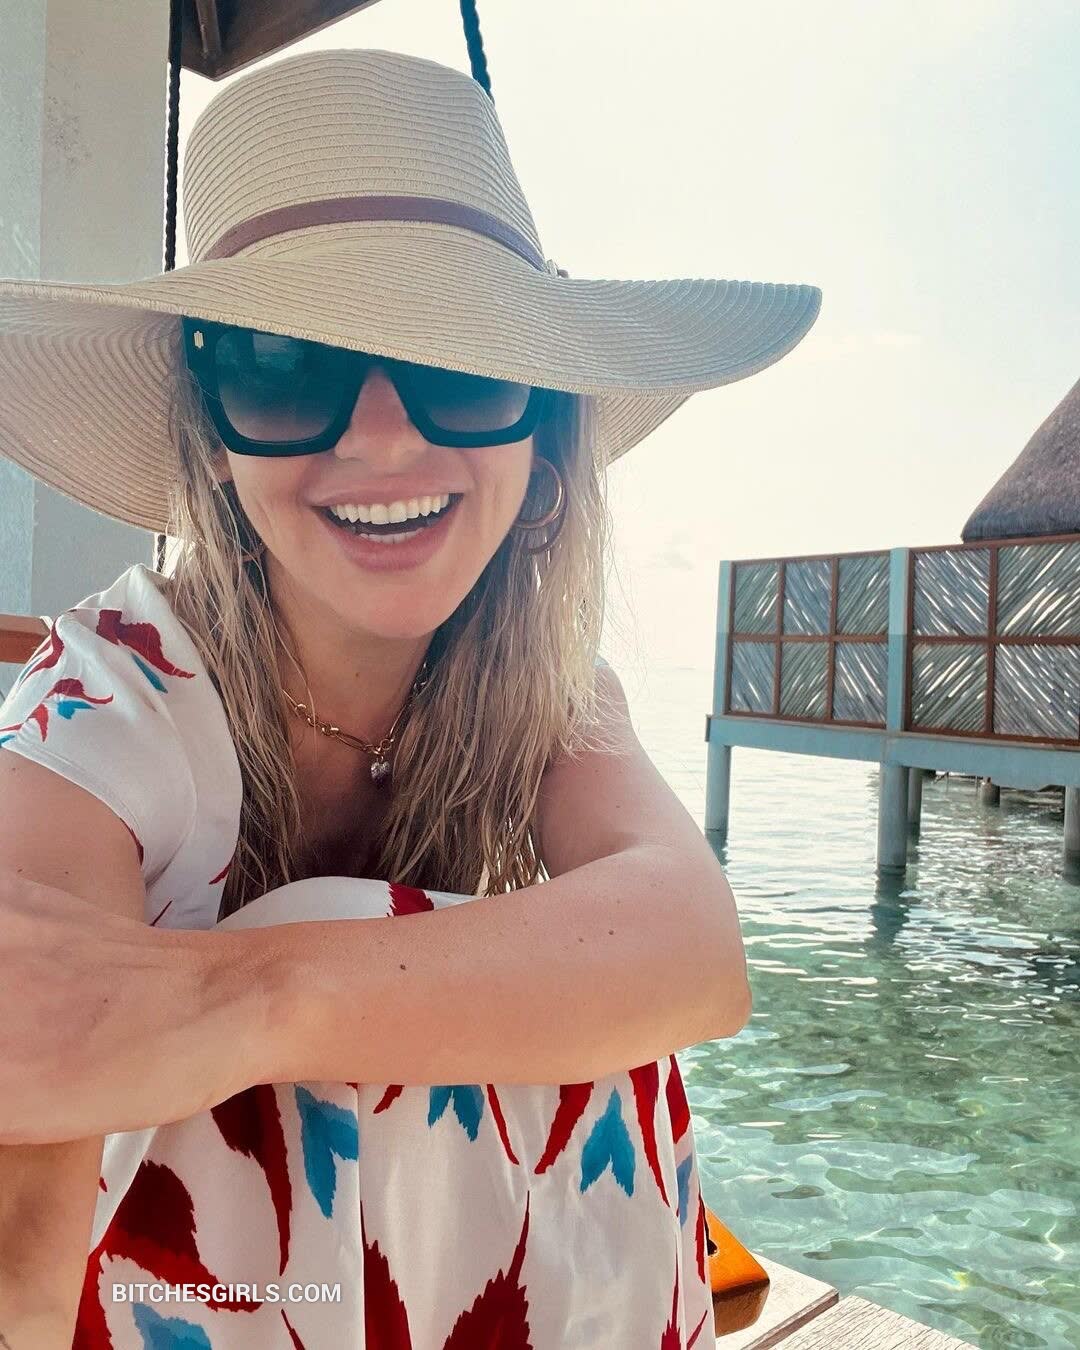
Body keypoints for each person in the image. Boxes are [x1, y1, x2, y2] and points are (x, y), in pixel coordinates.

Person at [0, 47, 820, 1350]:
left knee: (580, 979)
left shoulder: (547, 686)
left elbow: (692, 949)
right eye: (283, 361)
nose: (382, 436)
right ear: (211, 431)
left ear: (544, 431)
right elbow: (21, 1216)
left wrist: (230, 999)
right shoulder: (106, 702)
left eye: (462, 361)